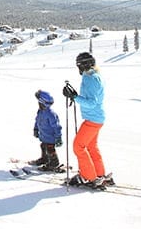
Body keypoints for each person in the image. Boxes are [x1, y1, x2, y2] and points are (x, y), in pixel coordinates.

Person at [63, 52, 106, 188]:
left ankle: (88, 176)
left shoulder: (90, 78)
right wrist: (75, 96)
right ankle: (99, 174)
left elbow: (92, 102)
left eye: (79, 65)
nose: (78, 68)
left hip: (92, 119)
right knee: (91, 146)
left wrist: (75, 97)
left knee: (78, 146)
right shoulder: (93, 76)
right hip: (96, 118)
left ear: (85, 65)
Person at [30, 90, 63, 171]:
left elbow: (57, 126)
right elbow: (37, 121)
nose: (38, 104)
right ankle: (45, 159)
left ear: (43, 102)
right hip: (44, 136)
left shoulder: (51, 114)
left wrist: (58, 137)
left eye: (39, 102)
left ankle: (54, 163)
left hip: (51, 137)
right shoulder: (40, 111)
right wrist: (36, 129)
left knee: (50, 149)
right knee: (43, 146)